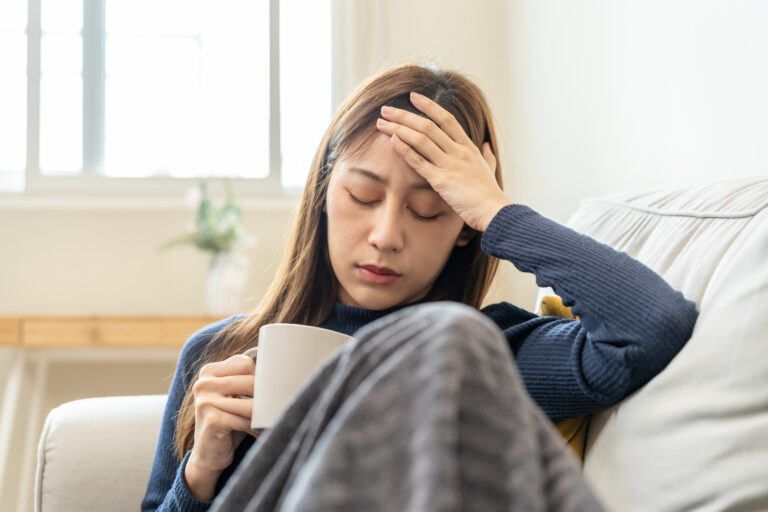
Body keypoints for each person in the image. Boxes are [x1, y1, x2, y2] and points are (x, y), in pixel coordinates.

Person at [141, 64, 698, 511]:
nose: (386, 237)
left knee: (452, 337)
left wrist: (497, 212)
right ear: (323, 196)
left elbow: (651, 326)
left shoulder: (487, 353)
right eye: (362, 197)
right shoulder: (219, 357)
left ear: (463, 230)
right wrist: (200, 475)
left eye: (430, 211)